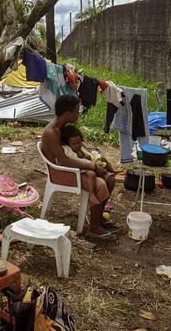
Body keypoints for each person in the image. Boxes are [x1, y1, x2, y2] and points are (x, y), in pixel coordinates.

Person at [41, 95, 116, 241]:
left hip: (72, 168)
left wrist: (93, 159)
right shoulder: (51, 132)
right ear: (67, 114)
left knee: (110, 178)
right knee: (100, 185)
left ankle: (98, 219)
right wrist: (92, 166)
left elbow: (77, 148)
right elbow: (64, 160)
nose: (79, 113)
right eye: (77, 110)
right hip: (60, 172)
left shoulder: (64, 127)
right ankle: (93, 229)